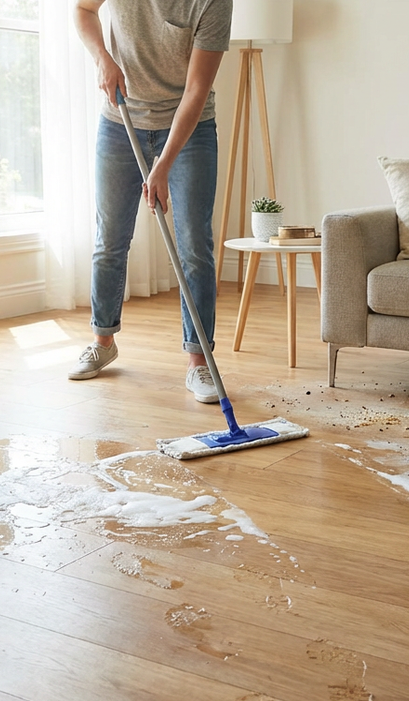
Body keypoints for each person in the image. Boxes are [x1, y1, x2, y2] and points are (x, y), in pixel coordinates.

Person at [69, 0, 231, 404]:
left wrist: (162, 165)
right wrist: (103, 58)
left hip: (189, 130)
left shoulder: (213, 3)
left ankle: (200, 363)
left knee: (194, 246)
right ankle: (103, 341)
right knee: (111, 238)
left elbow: (197, 89)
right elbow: (83, 10)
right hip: (120, 120)